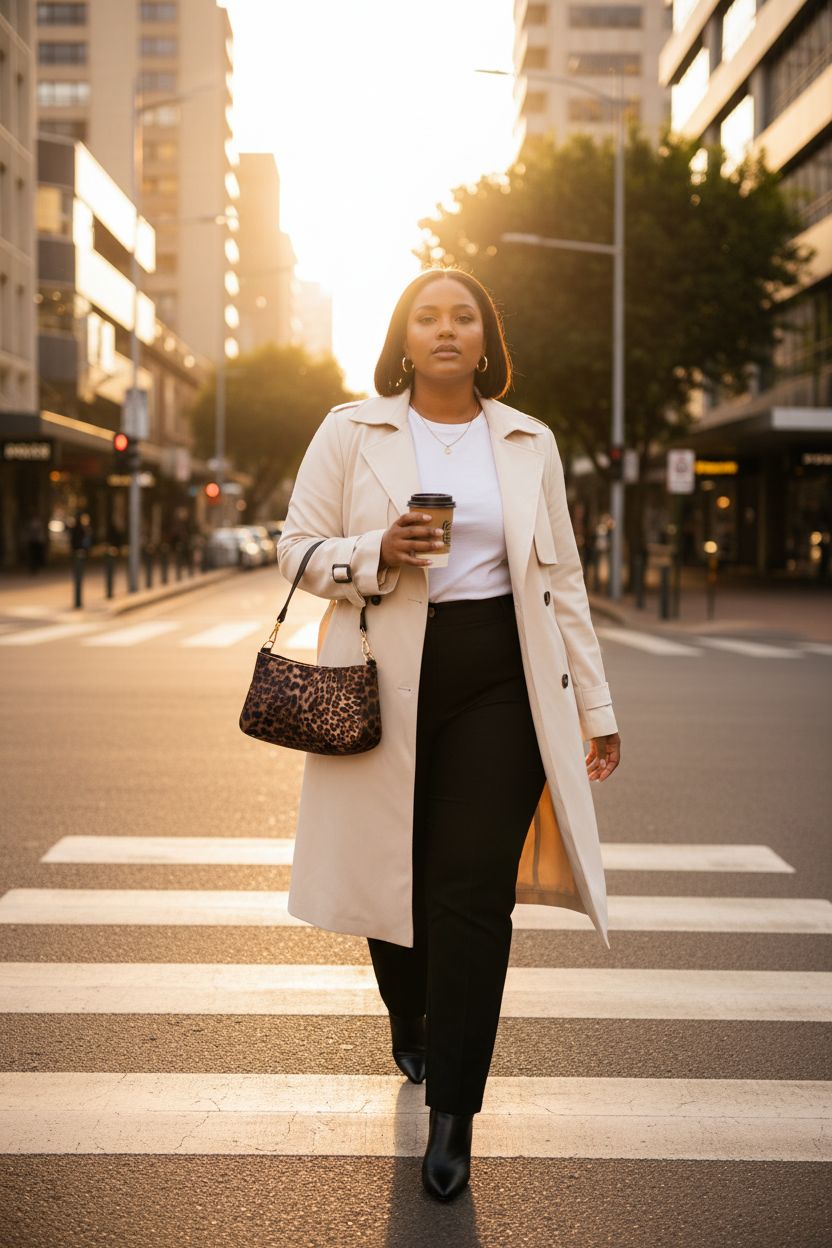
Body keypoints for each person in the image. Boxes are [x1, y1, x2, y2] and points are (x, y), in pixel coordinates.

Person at [276, 267, 621, 1202]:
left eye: (463, 316)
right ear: (404, 335)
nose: (445, 329)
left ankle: (455, 1112)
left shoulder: (527, 440)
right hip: (382, 667)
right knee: (399, 870)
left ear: (484, 339)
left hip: (501, 676)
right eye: (427, 315)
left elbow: (564, 580)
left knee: (470, 888)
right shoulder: (352, 430)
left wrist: (596, 705)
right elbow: (295, 547)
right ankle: (412, 1017)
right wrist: (374, 552)